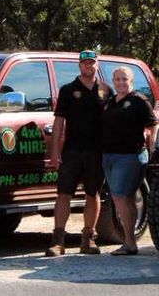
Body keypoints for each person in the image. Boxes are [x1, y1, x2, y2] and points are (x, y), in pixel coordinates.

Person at [45, 50, 112, 256]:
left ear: (97, 65)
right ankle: (58, 241)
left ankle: (88, 239)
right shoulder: (67, 90)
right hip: (72, 151)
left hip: (96, 152)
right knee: (64, 193)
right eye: (84, 63)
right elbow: (58, 123)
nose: (88, 66)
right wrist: (55, 151)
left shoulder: (106, 90)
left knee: (93, 194)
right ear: (79, 66)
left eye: (92, 63)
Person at [100, 66, 159, 255]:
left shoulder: (139, 101)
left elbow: (153, 124)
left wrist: (152, 146)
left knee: (120, 197)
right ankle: (130, 241)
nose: (120, 83)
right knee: (127, 198)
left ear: (131, 81)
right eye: (117, 79)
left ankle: (129, 243)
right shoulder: (111, 101)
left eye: (124, 79)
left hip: (130, 156)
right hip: (109, 155)